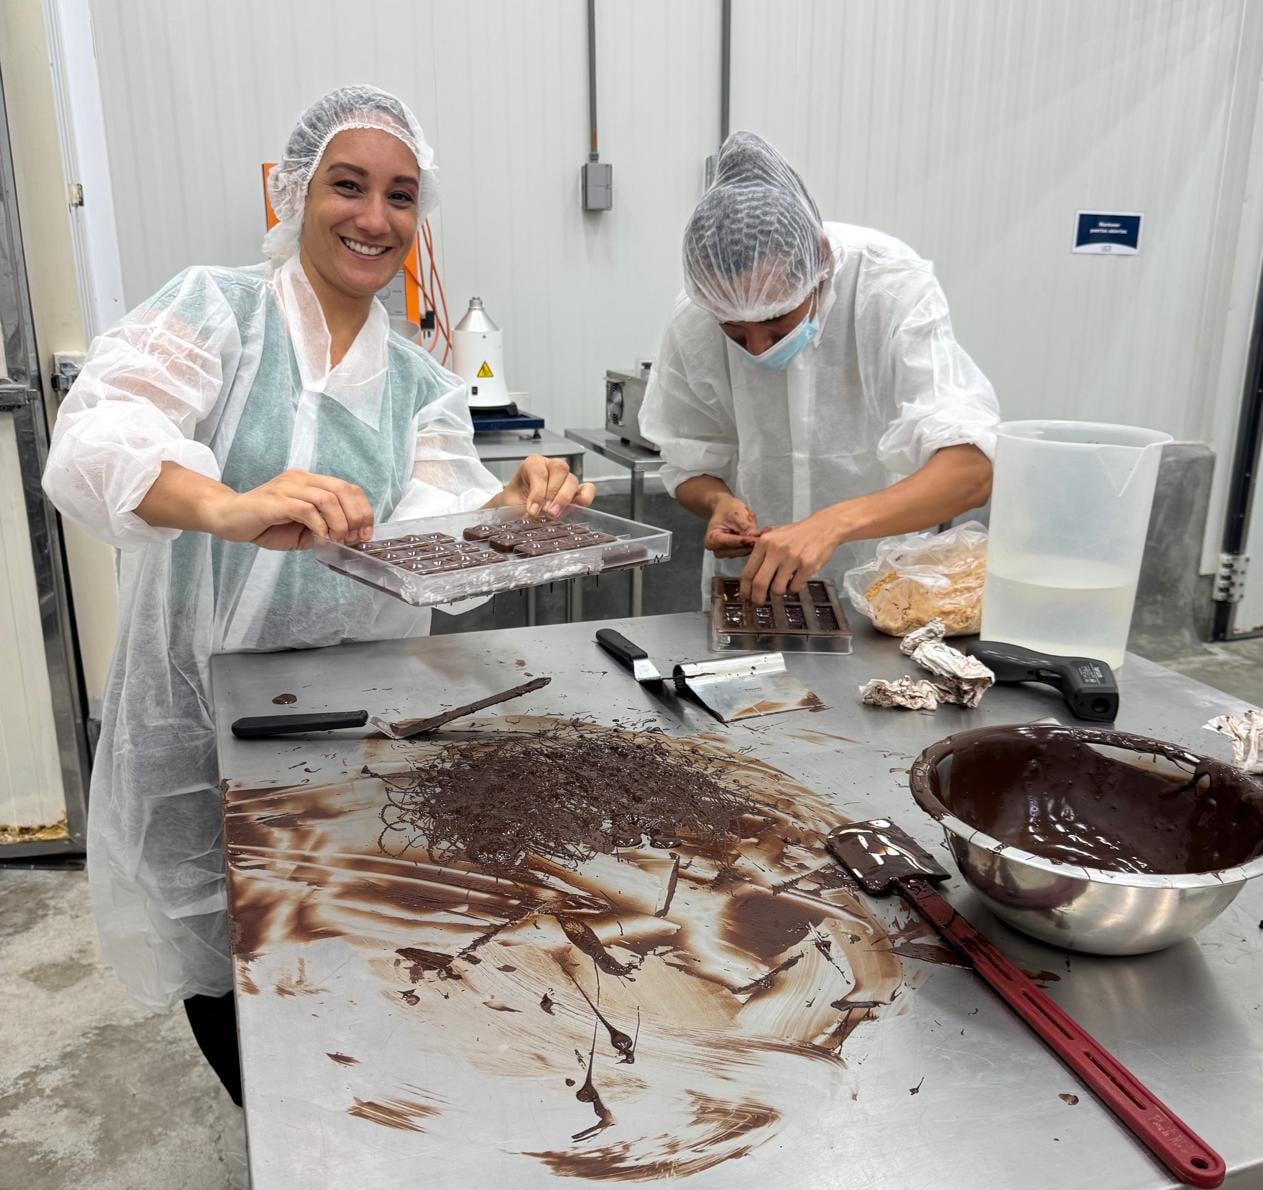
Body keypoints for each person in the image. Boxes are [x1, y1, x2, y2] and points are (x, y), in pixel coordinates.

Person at [42, 85, 594, 1105]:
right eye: (349, 185)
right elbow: (96, 437)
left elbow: (438, 531)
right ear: (297, 192)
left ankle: (337, 1138)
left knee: (343, 946)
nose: (373, 218)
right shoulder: (219, 311)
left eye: (399, 195)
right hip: (197, 714)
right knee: (222, 961)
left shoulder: (421, 386)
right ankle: (284, 1143)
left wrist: (509, 508)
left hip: (355, 730)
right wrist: (224, 503)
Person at [640, 131, 1000, 605]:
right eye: (735, 330)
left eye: (775, 320)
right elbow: (690, 458)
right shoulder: (696, 314)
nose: (759, 348)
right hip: (754, 590)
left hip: (885, 591)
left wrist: (831, 525)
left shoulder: (887, 287)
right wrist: (717, 501)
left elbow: (971, 470)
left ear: (821, 264)